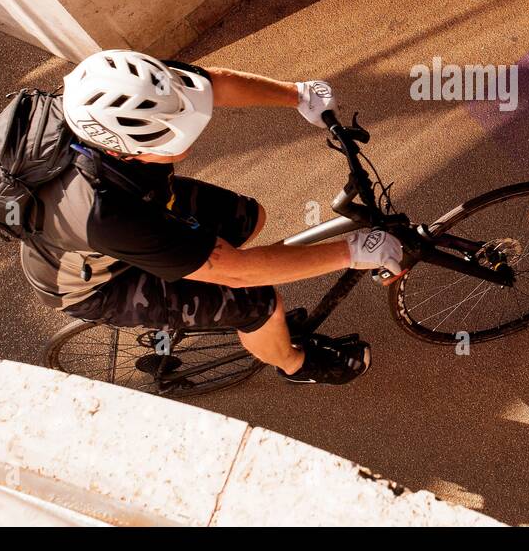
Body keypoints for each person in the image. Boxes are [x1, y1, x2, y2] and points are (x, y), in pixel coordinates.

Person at [21, 49, 404, 385]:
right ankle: (296, 365)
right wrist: (350, 252)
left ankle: (201, 287)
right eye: (170, 140)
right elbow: (236, 271)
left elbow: (212, 85)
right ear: (122, 152)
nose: (189, 138)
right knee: (256, 301)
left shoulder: (127, 88)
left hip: (133, 213)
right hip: (98, 281)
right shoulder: (105, 213)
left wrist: (298, 95)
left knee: (247, 217)